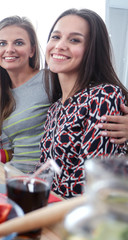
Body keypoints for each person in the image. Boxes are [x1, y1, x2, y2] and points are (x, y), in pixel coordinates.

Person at [40, 8, 128, 199]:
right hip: (49, 211)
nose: (60, 45)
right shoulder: (55, 108)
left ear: (92, 50)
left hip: (83, 222)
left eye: (74, 40)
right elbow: (46, 173)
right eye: (56, 37)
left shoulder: (103, 96)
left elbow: (89, 185)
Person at [0, 16, 49, 171]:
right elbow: (18, 152)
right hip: (14, 176)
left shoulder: (49, 79)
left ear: (32, 50)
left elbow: (93, 99)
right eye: (2, 43)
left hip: (43, 182)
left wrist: (119, 122)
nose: (9, 49)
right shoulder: (2, 93)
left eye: (18, 43)